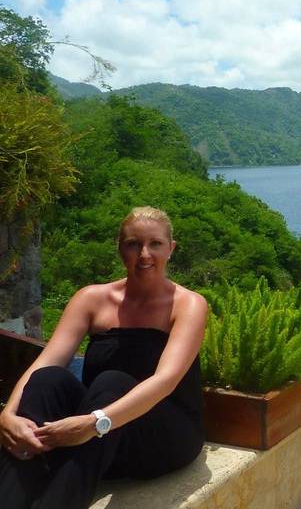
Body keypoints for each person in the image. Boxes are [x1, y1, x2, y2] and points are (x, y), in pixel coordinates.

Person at [0, 207, 208, 509]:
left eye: (156, 244)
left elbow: (165, 381)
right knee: (48, 380)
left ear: (171, 249)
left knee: (113, 381)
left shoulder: (187, 304)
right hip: (98, 435)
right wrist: (9, 416)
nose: (144, 254)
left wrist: (94, 423)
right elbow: (46, 362)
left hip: (161, 436)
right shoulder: (91, 299)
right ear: (120, 248)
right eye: (134, 244)